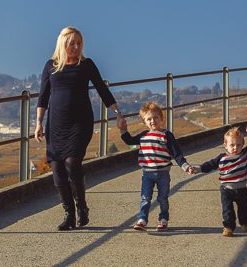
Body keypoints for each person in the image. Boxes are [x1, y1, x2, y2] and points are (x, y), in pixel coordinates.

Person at [35, 26, 124, 231]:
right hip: (56, 124)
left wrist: (117, 113)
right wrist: (38, 122)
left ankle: (81, 206)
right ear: (62, 44)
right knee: (57, 169)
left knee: (72, 163)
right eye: (72, 43)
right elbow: (43, 96)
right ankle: (69, 215)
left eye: (78, 43)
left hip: (80, 123)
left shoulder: (86, 65)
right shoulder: (51, 66)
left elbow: (102, 89)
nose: (75, 47)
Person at [120, 101, 195, 231]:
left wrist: (185, 166)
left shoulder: (166, 135)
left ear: (162, 119)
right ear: (144, 122)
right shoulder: (144, 135)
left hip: (163, 174)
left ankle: (163, 219)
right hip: (147, 174)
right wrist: (123, 129)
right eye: (149, 119)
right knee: (145, 197)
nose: (153, 121)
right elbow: (129, 141)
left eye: (155, 118)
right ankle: (142, 219)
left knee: (163, 198)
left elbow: (177, 154)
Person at [192, 127, 247, 237]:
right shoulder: (222, 158)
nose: (235, 148)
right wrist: (197, 169)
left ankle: (244, 223)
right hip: (226, 189)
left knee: (245, 207)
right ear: (225, 145)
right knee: (227, 210)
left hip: (241, 188)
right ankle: (228, 227)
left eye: (238, 145)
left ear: (242, 144)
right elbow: (209, 165)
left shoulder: (245, 154)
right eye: (232, 145)